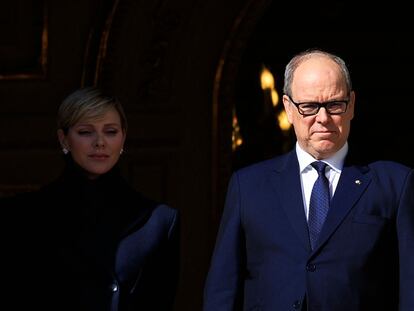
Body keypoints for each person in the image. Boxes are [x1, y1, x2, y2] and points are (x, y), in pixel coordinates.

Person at [203, 49, 414, 311]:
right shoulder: (248, 187)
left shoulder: (395, 184)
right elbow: (222, 290)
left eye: (335, 105)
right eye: (309, 107)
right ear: (289, 109)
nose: (323, 118)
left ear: (352, 106)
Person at [1, 87, 180, 310]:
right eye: (86, 132)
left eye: (111, 131)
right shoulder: (21, 215)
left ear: (123, 137)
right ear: (64, 139)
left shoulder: (159, 222)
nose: (100, 142)